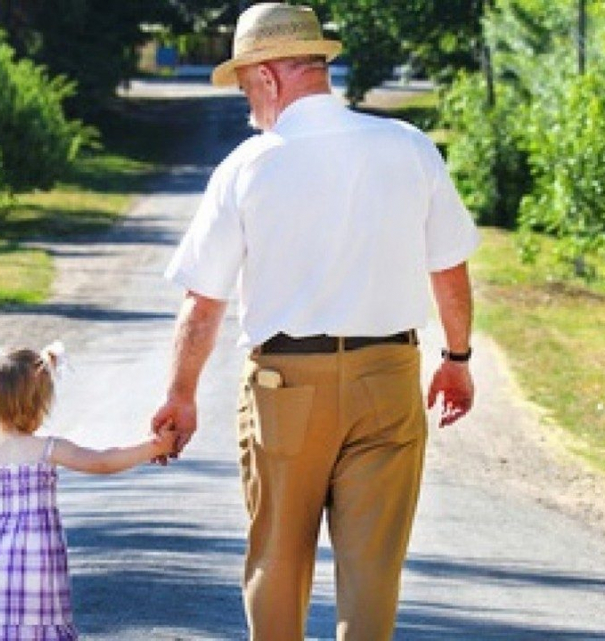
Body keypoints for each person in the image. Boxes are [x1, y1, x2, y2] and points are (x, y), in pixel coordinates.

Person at [150, 3, 480, 640]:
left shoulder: (247, 167)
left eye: (248, 87)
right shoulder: (409, 147)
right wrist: (458, 361)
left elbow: (203, 301)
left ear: (269, 78)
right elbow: (449, 268)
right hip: (388, 375)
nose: (249, 103)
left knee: (277, 558)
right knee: (374, 568)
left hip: (285, 388)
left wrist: (180, 396)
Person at [0, 339, 177, 641]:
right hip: (36, 573)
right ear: (40, 404)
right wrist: (153, 447)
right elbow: (102, 462)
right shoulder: (48, 449)